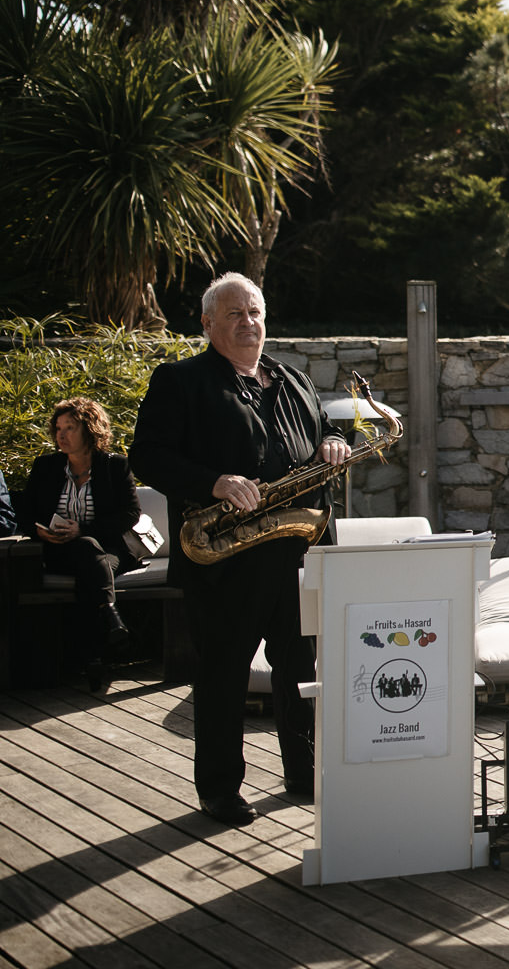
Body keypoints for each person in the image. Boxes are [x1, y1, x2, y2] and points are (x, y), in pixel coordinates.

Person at [130, 273, 348, 827]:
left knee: (299, 668)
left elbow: (323, 430)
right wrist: (215, 482)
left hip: (295, 553)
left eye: (254, 312)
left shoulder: (293, 378)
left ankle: (303, 772)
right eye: (234, 314)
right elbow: (148, 457)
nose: (248, 323)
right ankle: (221, 790)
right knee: (224, 673)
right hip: (226, 557)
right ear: (207, 324)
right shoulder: (180, 381)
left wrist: (333, 443)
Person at [20, 398, 143, 691]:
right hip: (58, 550)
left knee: (88, 551)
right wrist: (41, 533)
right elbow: (25, 513)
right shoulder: (46, 467)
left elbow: (130, 514)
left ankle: (91, 659)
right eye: (58, 428)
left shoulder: (115, 466)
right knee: (88, 559)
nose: (61, 435)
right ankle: (110, 616)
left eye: (70, 428)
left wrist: (84, 529)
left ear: (90, 429)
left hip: (107, 550)